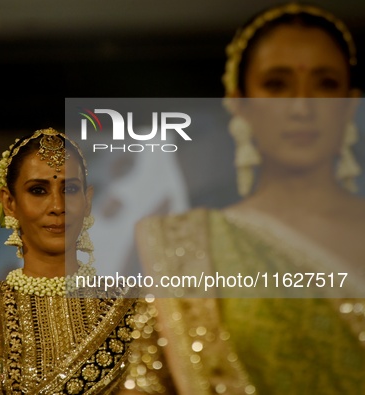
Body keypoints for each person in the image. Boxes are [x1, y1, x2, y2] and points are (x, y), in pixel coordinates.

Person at [135, 3, 365, 395]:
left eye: (325, 84)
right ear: (239, 102)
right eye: (277, 84)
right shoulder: (189, 247)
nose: (301, 107)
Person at [0, 127, 136, 394]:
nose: (57, 205)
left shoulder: (132, 313)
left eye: (70, 189)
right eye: (38, 190)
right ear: (9, 203)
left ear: (87, 201)